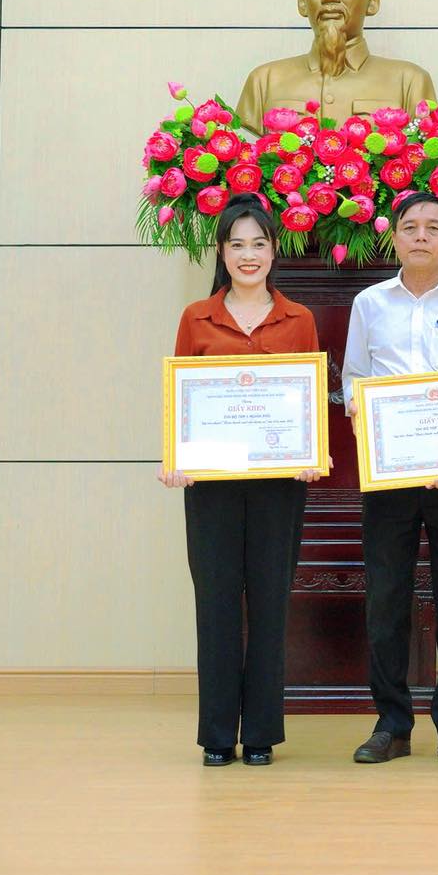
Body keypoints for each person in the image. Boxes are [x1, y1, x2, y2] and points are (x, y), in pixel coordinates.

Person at [161, 193, 324, 767]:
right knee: (217, 604)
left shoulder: (299, 319)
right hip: (211, 485)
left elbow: (309, 399)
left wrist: (311, 451)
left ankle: (260, 734)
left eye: (259, 243)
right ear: (222, 252)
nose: (248, 255)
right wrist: (175, 456)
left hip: (280, 483)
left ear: (274, 250)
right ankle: (216, 733)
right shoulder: (196, 318)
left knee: (271, 603)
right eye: (237, 245)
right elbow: (180, 399)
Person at [342, 190, 438, 765]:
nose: (422, 237)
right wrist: (364, 410)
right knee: (387, 598)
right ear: (394, 237)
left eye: (434, 227)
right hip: (390, 471)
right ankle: (391, 723)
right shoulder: (369, 303)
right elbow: (354, 378)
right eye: (410, 227)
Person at [234, 0, 437, 128]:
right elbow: (244, 150)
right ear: (302, 1)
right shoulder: (265, 81)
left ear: (372, 1)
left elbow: (426, 150)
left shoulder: (409, 82)